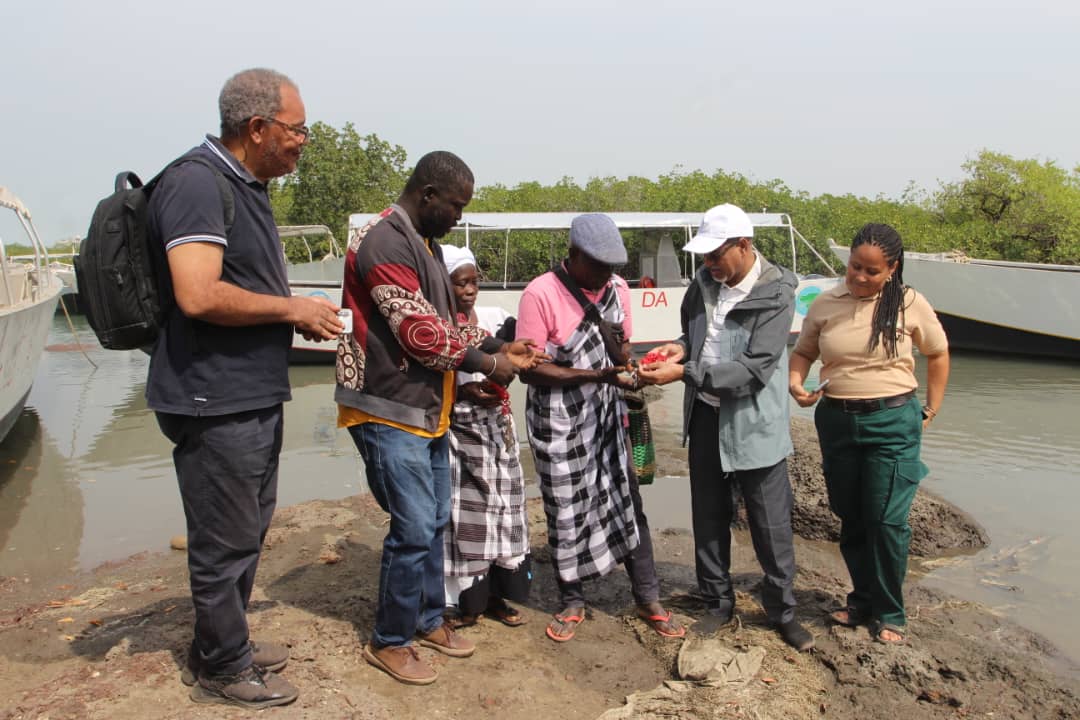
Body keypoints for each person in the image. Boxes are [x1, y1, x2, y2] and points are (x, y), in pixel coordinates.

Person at [148, 68, 342, 708]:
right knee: (223, 539)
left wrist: (290, 312)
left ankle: (221, 642)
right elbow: (198, 293)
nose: (303, 141)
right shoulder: (197, 182)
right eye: (297, 129)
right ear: (257, 127)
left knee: (247, 528)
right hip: (212, 397)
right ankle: (223, 669)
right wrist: (291, 308)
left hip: (248, 393)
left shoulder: (242, 186)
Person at [335, 151, 544, 685]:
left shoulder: (425, 245)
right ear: (428, 195)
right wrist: (491, 365)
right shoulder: (383, 241)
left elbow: (450, 325)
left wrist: (502, 347)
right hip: (386, 405)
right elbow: (419, 332)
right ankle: (389, 640)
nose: (458, 216)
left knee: (435, 520)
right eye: (455, 205)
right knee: (411, 526)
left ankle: (428, 619)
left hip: (427, 407)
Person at [639, 203, 814, 651]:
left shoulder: (776, 294)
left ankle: (783, 612)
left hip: (754, 421)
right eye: (704, 255)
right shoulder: (702, 283)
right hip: (705, 414)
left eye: (716, 254)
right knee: (709, 515)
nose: (709, 263)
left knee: (770, 524)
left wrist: (685, 372)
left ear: (743, 245)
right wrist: (678, 349)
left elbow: (754, 369)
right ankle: (717, 603)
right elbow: (696, 337)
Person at [517, 213, 684, 643]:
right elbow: (529, 371)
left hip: (606, 414)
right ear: (573, 255)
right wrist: (597, 376)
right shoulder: (540, 293)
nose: (607, 275)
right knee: (565, 507)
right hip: (558, 420)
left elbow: (622, 349)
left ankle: (648, 596)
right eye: (598, 266)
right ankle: (572, 599)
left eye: (613, 267)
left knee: (626, 498)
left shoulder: (618, 289)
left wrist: (630, 363)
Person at [789, 222, 949, 644]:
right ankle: (861, 600)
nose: (860, 277)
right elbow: (803, 352)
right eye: (854, 267)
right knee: (851, 514)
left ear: (892, 269)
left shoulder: (909, 303)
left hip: (892, 422)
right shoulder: (825, 303)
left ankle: (890, 612)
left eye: (871, 271)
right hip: (837, 420)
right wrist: (796, 384)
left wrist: (931, 408)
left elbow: (938, 353)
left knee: (887, 520)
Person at [439, 244, 532, 629]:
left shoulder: (493, 319)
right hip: (459, 433)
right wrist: (463, 392)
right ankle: (466, 601)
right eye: (460, 283)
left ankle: (497, 595)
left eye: (474, 282)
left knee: (504, 510)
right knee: (465, 516)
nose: (469, 290)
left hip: (497, 431)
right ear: (442, 285)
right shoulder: (437, 327)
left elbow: (511, 356)